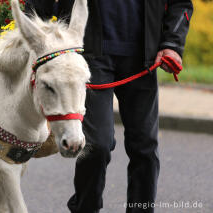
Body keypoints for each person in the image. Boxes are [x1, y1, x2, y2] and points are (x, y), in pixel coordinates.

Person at [24, 0, 193, 212]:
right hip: (89, 55)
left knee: (145, 148)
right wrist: (39, 42)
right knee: (96, 146)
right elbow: (37, 7)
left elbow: (181, 3)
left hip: (143, 59)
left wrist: (172, 45)